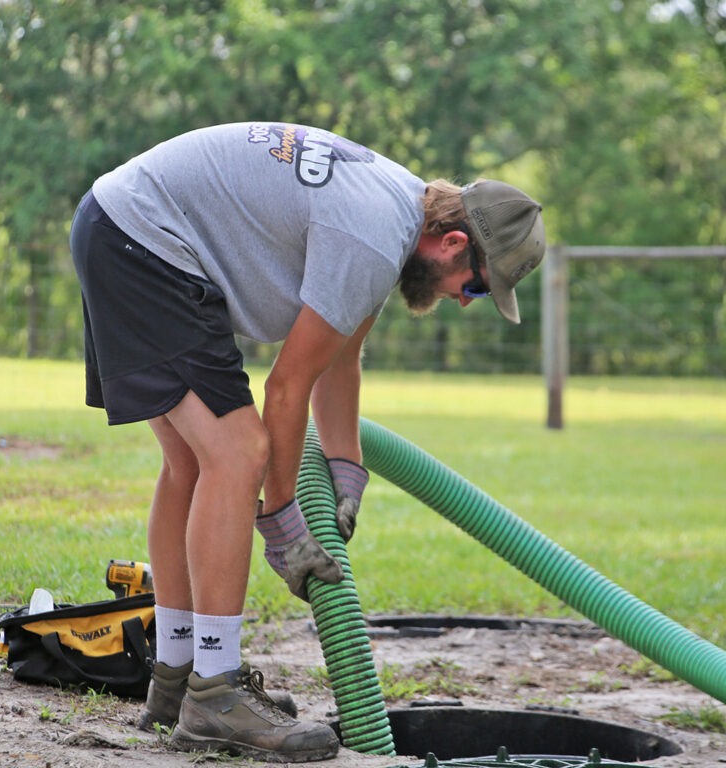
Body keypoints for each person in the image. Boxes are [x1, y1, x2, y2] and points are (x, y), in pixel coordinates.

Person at [69, 121, 545, 761]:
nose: (467, 303)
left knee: (191, 463)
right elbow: (287, 389)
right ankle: (215, 693)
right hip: (144, 243)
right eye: (479, 286)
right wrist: (282, 517)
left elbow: (340, 362)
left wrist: (347, 471)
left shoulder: (392, 215)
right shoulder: (375, 240)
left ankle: (177, 677)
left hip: (120, 226)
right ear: (453, 242)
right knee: (238, 453)